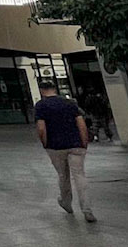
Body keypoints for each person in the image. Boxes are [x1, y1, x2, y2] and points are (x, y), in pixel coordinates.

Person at [34, 82, 94, 222]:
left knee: (63, 175)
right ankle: (87, 209)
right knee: (80, 175)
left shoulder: (41, 106)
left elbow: (41, 128)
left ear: (42, 91)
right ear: (55, 89)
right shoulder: (70, 103)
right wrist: (84, 142)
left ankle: (66, 202)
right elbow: (81, 124)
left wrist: (45, 143)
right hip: (75, 144)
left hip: (55, 146)